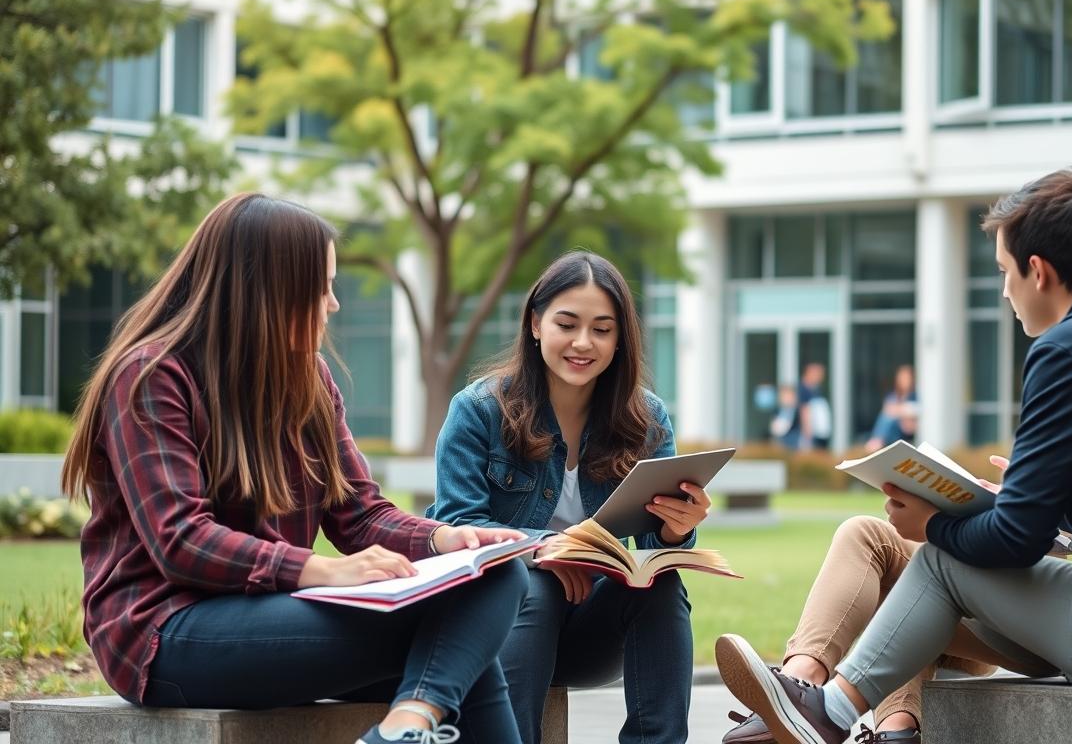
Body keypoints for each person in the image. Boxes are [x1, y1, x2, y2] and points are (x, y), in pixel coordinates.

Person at [714, 168, 1072, 744]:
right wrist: (1045, 493)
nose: (1005, 291)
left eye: (1004, 273)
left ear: (1038, 272)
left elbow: (1018, 540)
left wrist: (934, 522)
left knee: (937, 559)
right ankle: (851, 712)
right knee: (898, 548)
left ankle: (826, 714)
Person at [60, 193, 530, 744]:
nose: (333, 305)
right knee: (456, 639)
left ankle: (407, 726)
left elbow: (360, 515)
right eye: (321, 287)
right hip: (167, 632)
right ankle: (405, 729)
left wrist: (449, 540)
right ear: (267, 290)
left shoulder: (308, 378)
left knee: (495, 576)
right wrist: (322, 570)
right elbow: (180, 540)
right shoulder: (151, 376)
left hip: (274, 612)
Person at [428, 251, 709, 744]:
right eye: (567, 324)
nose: (584, 343)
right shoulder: (478, 410)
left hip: (591, 632)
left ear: (620, 339)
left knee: (662, 586)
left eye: (602, 329)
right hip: (500, 624)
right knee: (534, 583)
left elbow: (654, 550)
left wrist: (676, 529)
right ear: (535, 324)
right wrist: (546, 549)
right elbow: (457, 526)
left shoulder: (647, 419)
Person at [719, 515, 1004, 744]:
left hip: (1016, 614)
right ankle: (894, 732)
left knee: (869, 537)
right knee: (893, 572)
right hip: (983, 598)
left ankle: (798, 695)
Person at [864, 365, 919, 452]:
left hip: (905, 432)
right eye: (902, 378)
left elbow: (915, 413)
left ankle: (878, 439)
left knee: (888, 417)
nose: (904, 381)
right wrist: (902, 412)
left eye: (907, 378)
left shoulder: (915, 396)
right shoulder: (893, 396)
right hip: (894, 431)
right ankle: (878, 439)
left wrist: (899, 412)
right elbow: (888, 409)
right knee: (887, 417)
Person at [798, 363, 832, 451]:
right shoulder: (803, 389)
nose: (821, 378)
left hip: (820, 432)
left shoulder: (816, 389)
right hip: (810, 433)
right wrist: (807, 431)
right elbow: (804, 410)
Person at [770, 384, 802, 451]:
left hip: (793, 436)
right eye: (784, 396)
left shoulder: (796, 410)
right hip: (781, 437)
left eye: (788, 396)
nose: (786, 399)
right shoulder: (778, 410)